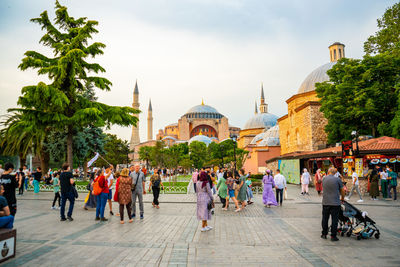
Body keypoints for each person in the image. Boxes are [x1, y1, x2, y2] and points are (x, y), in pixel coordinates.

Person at [321, 167, 345, 242]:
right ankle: (333, 236)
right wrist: (342, 198)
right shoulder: (337, 179)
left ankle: (324, 234)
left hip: (325, 202)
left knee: (325, 218)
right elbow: (342, 190)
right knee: (334, 220)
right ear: (335, 172)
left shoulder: (324, 178)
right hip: (335, 203)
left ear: (328, 172)